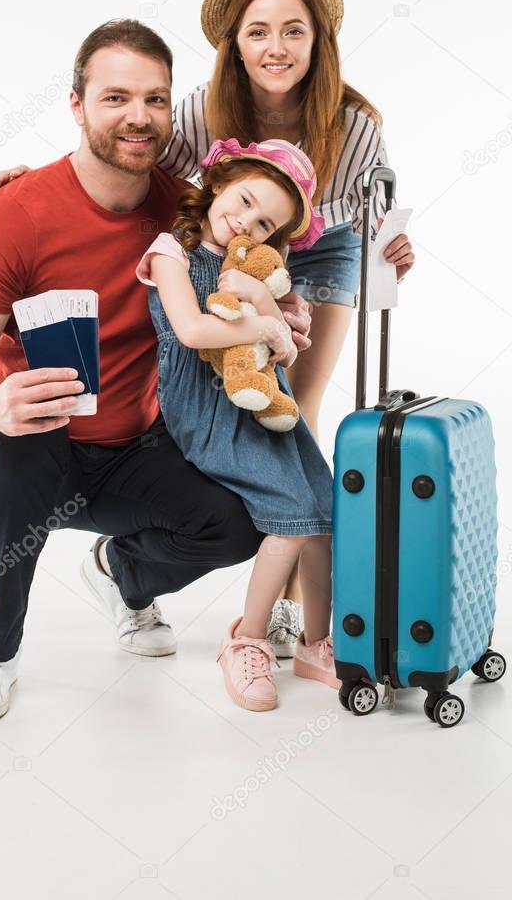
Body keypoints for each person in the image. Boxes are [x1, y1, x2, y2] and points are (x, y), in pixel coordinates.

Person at [0, 0, 415, 657]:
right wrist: (37, 181)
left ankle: (297, 613)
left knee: (297, 413)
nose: (275, 47)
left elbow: (376, 210)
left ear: (317, 41)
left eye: (293, 31)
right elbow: (127, 149)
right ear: (234, 43)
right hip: (230, 242)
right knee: (246, 404)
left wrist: (390, 246)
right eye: (258, 31)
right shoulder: (200, 111)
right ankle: (228, 572)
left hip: (321, 241)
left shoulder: (354, 121)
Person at [0, 19, 311, 724]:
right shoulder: (12, 215)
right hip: (28, 435)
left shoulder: (186, 210)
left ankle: (119, 574)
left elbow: (251, 255)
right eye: (115, 98)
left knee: (237, 520)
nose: (138, 116)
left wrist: (286, 310)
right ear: (76, 105)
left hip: (133, 446)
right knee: (17, 461)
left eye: (155, 100)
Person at [134, 136, 337, 712]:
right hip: (206, 404)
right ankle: (246, 640)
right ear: (219, 183)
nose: (246, 221)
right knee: (290, 521)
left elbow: (287, 347)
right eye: (244, 200)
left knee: (323, 512)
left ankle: (314, 643)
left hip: (266, 396)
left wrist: (262, 303)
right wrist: (265, 328)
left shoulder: (249, 266)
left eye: (265, 223)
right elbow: (195, 332)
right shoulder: (171, 251)